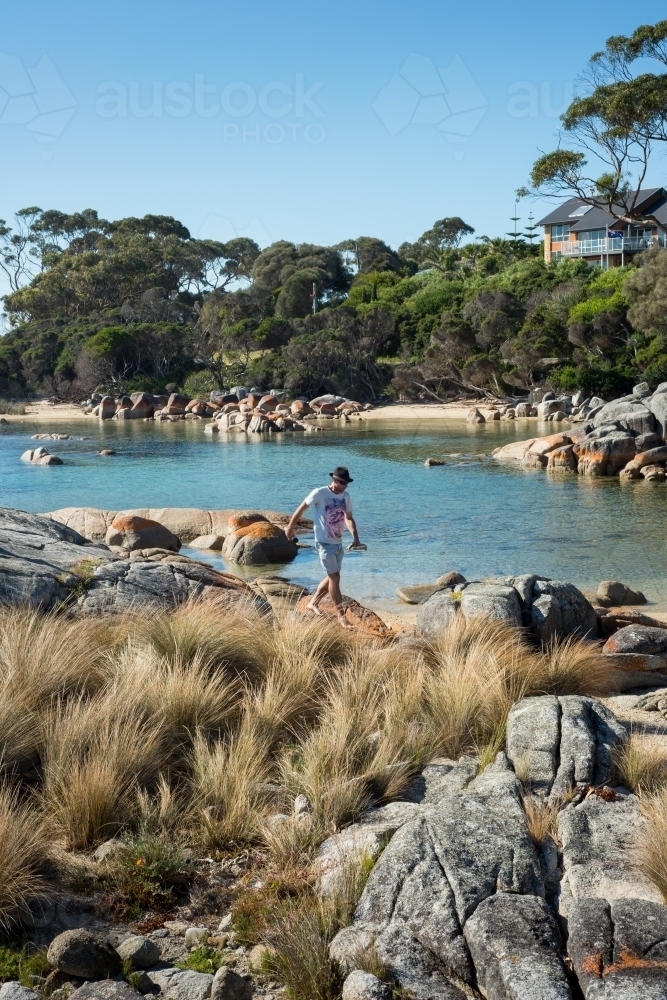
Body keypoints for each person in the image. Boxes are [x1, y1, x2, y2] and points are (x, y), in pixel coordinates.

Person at [285, 465, 365, 627]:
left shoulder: (346, 496)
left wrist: (356, 538)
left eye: (347, 483)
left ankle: (313, 602)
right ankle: (341, 616)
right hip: (323, 543)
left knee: (331, 578)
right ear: (334, 480)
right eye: (342, 482)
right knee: (335, 577)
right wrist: (290, 527)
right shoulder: (319, 493)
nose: (345, 485)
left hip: (338, 542)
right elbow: (301, 509)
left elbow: (348, 518)